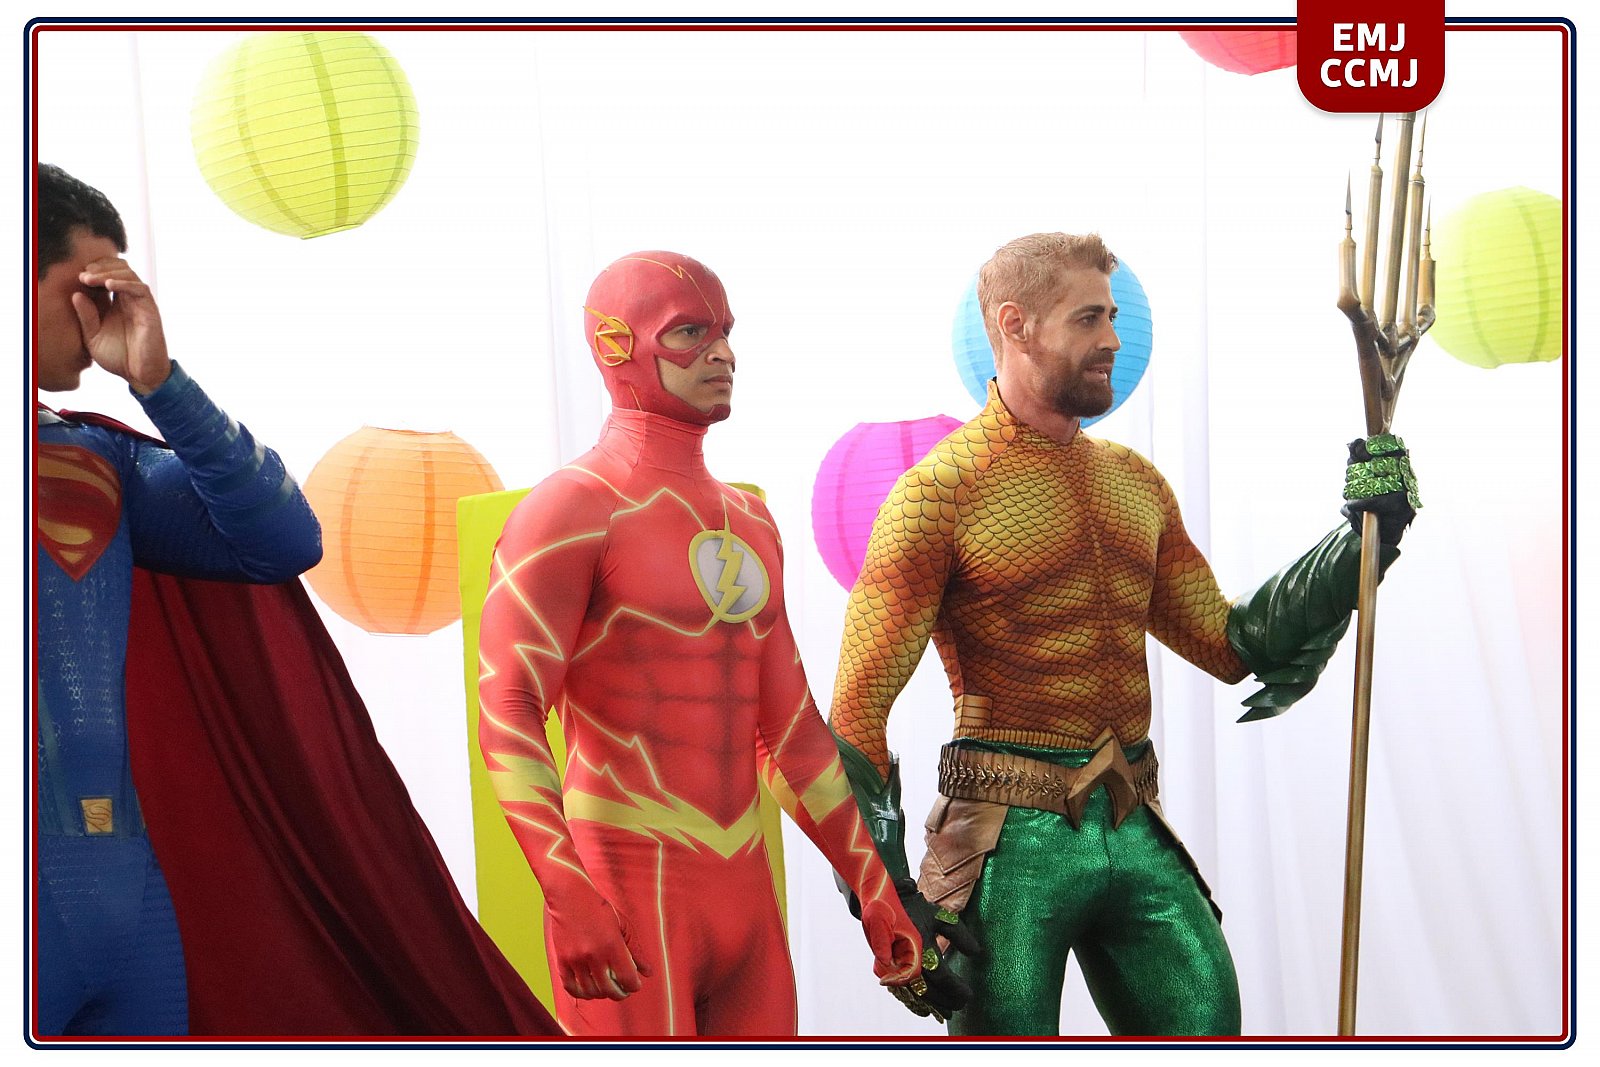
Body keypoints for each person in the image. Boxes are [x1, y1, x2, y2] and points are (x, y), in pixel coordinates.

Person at [828, 232, 1419, 1035]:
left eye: (1112, 316)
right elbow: (857, 714)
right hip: (1005, 838)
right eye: (1089, 318)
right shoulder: (937, 496)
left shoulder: (1134, 483)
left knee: (1207, 1025)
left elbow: (1229, 642)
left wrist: (1360, 540)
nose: (1113, 337)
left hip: (1132, 815)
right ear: (1015, 324)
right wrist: (890, 896)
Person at [33, 163, 556, 1038]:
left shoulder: (96, 457)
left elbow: (281, 539)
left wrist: (162, 384)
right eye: (84, 288)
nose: (103, 316)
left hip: (124, 901)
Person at [477, 251, 947, 1036]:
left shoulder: (751, 521)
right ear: (616, 345)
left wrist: (876, 886)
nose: (723, 353)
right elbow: (510, 707)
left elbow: (790, 732)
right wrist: (567, 892)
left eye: (726, 331)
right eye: (690, 332)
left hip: (743, 888)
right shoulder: (568, 510)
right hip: (626, 879)